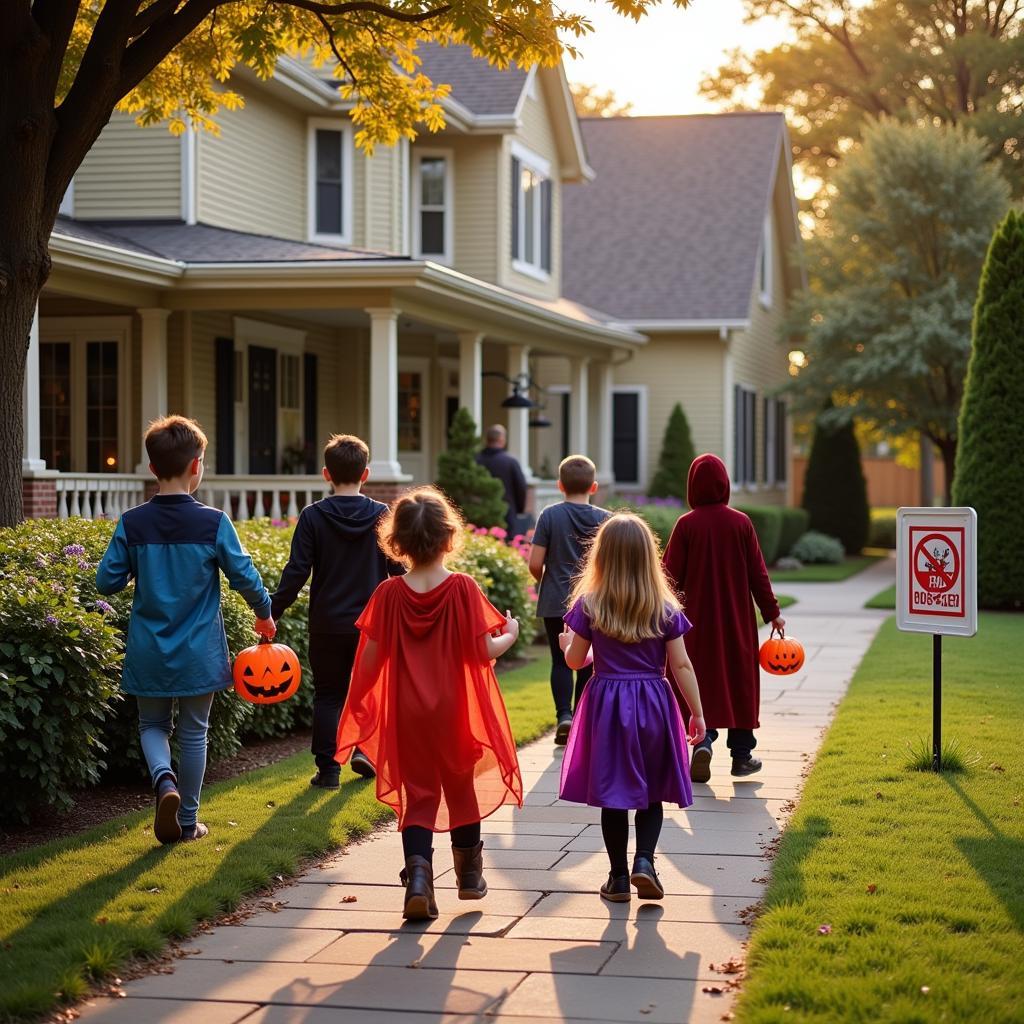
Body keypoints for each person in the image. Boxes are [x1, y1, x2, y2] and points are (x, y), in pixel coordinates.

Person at [336, 487, 524, 921]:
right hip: (455, 711)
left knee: (417, 794)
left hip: (407, 714)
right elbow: (484, 652)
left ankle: (419, 879)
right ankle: (470, 876)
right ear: (449, 538)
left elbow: (367, 661)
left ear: (396, 542)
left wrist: (359, 704)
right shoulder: (462, 588)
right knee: (461, 786)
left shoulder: (388, 595)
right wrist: (510, 633)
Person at [96, 415, 274, 844]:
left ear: (152, 468)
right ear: (197, 466)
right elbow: (244, 575)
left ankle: (164, 782)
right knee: (195, 732)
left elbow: (106, 581)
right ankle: (188, 822)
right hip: (199, 649)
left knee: (152, 726)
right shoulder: (213, 522)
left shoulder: (133, 523)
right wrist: (265, 611)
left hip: (149, 648)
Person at [558, 513, 705, 902]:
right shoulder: (665, 608)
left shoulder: (590, 604)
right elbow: (682, 665)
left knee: (614, 793)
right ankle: (645, 861)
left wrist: (565, 645)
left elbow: (576, 661)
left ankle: (618, 878)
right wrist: (698, 712)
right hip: (654, 702)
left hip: (607, 703)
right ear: (648, 558)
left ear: (601, 557)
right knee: (652, 790)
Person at [271, 434, 402, 789]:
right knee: (368, 690)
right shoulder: (381, 515)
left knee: (329, 694)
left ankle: (328, 771)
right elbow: (398, 571)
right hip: (372, 624)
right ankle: (364, 752)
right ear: (367, 473)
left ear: (327, 474)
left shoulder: (313, 516)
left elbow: (298, 569)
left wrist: (273, 609)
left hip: (327, 623)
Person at [662, 453, 785, 782]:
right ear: (725, 484)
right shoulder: (741, 523)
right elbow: (758, 574)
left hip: (695, 623)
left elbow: (668, 577)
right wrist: (772, 613)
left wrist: (658, 613)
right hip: (736, 621)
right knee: (739, 680)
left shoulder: (686, 525)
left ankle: (703, 741)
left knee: (701, 677)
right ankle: (742, 756)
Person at [529, 454, 610, 744]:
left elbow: (534, 563)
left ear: (560, 485)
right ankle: (579, 720)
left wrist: (547, 582)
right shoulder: (605, 520)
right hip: (593, 602)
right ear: (594, 487)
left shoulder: (550, 515)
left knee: (560, 660)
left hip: (555, 600)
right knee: (588, 662)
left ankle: (563, 715)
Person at [476, 424, 528, 538]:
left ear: (486, 440)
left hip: (479, 513)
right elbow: (521, 487)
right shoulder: (510, 461)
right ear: (502, 440)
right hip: (507, 513)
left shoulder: (475, 460)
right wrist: (519, 509)